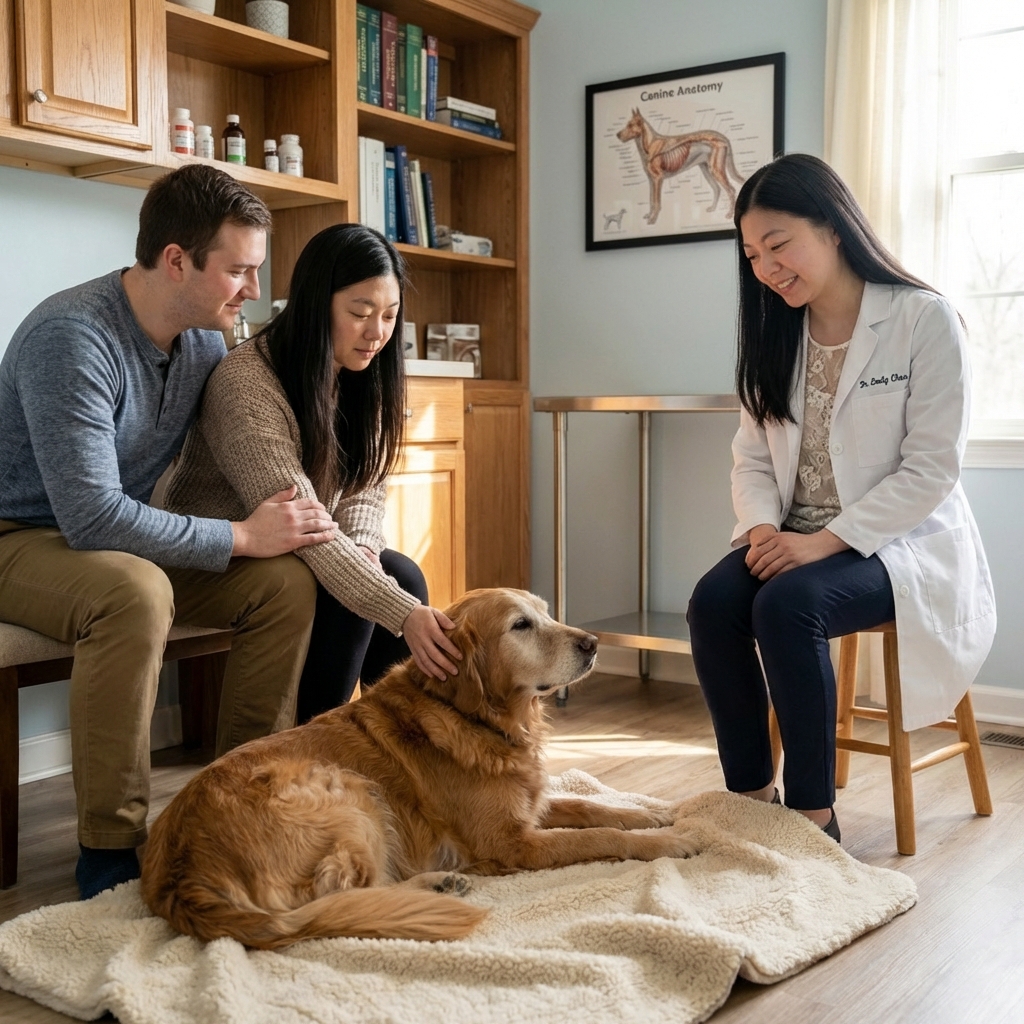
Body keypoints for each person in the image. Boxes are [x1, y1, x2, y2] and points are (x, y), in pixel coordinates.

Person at [0, 165, 338, 900]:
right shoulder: (73, 338)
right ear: (177, 260)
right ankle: (111, 851)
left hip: (107, 537)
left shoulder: (203, 345)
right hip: (17, 536)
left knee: (282, 583)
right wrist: (242, 536)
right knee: (135, 592)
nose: (252, 289)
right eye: (239, 271)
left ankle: (245, 804)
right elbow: (90, 516)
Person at [686, 154, 996, 843]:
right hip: (794, 531)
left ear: (831, 227)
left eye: (778, 245)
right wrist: (762, 529)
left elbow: (931, 468)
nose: (766, 268)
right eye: (752, 254)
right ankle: (749, 796)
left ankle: (813, 817)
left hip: (898, 544)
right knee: (713, 601)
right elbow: (752, 457)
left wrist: (822, 542)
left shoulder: (923, 318)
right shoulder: (775, 331)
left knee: (789, 606)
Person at [165, 223, 462, 723]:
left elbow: (365, 484)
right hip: (225, 554)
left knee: (397, 572)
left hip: (298, 545)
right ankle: (313, 750)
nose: (377, 333)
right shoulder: (247, 382)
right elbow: (298, 519)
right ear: (315, 304)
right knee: (359, 592)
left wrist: (366, 546)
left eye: (389, 316)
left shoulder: (358, 372)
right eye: (359, 313)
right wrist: (399, 611)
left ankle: (405, 751)